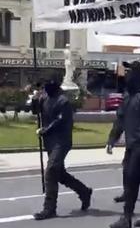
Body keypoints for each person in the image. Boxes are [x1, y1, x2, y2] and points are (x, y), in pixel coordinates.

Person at [32, 75, 92, 221]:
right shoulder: (45, 98)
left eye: (47, 86)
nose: (45, 89)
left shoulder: (63, 101)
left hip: (61, 141)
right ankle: (84, 191)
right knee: (59, 174)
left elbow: (59, 120)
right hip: (50, 142)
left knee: (51, 170)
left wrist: (44, 130)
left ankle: (49, 208)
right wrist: (35, 99)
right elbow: (35, 111)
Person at [108, 62, 140, 228]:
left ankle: (126, 218)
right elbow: (120, 119)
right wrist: (112, 139)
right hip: (132, 144)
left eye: (129, 72)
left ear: (138, 75)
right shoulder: (128, 95)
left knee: (130, 179)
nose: (126, 74)